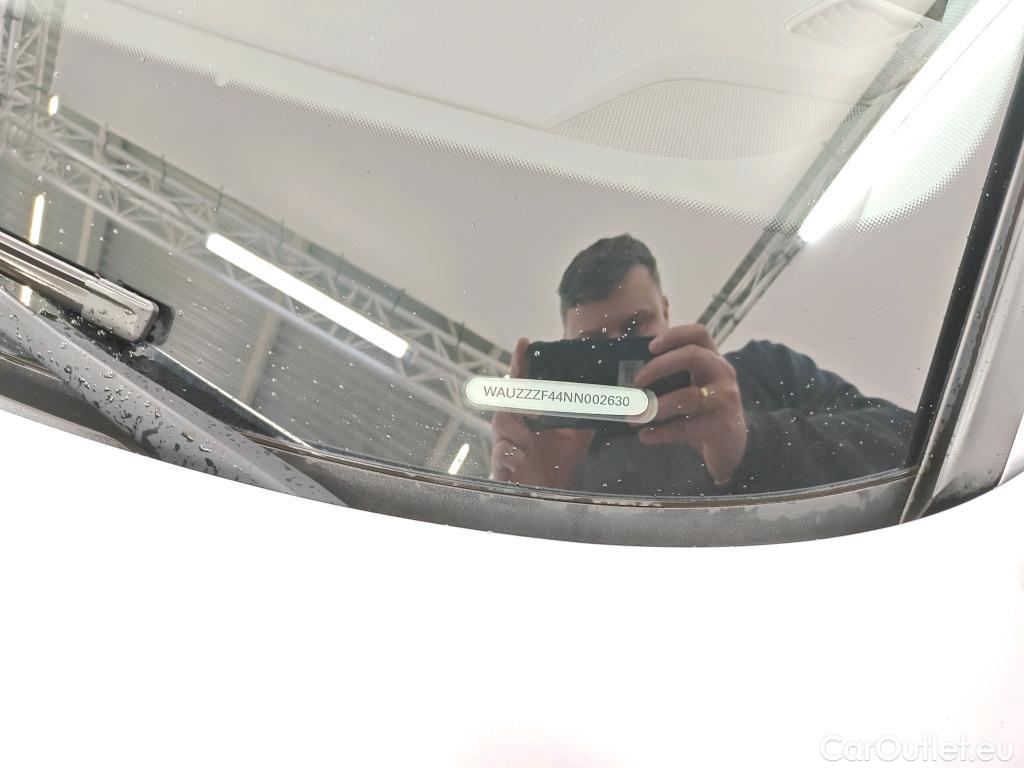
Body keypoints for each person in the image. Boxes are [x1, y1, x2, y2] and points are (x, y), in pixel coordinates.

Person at [490, 234, 914, 496]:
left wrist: (752, 441)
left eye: (635, 327)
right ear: (566, 348)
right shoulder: (560, 449)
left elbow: (910, 441)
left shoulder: (761, 369)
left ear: (666, 310)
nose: (617, 354)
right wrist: (543, 499)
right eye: (592, 346)